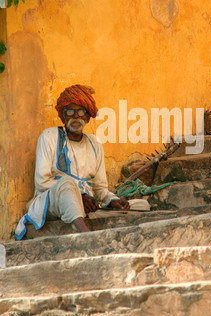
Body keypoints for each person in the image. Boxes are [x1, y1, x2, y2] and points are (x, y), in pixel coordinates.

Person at [15, 84, 129, 240]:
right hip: (51, 202)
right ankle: (86, 235)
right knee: (67, 183)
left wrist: (112, 200)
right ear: (63, 116)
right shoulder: (49, 136)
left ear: (88, 117)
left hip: (86, 205)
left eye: (81, 111)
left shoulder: (95, 143)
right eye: (70, 111)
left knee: (140, 205)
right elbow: (41, 182)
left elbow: (100, 188)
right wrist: (79, 194)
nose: (76, 116)